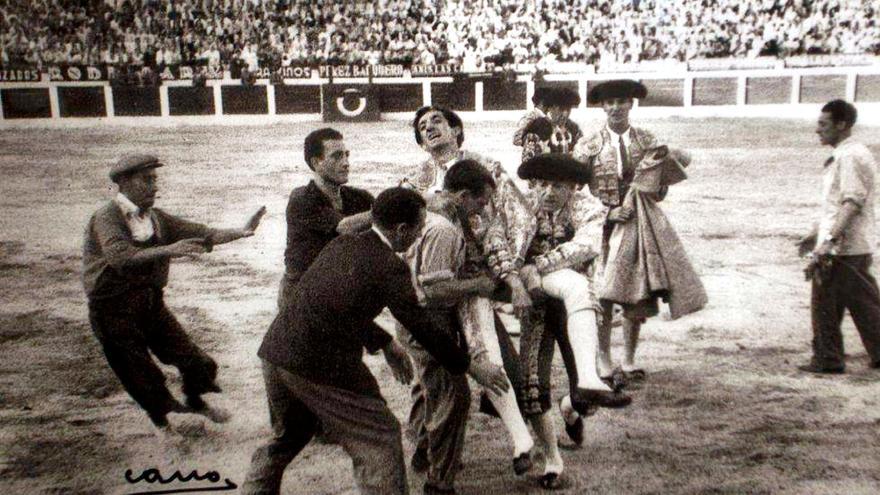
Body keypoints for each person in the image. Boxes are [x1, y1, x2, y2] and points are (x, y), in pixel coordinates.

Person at [242, 188, 471, 495]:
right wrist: (469, 365)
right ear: (402, 230)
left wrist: (386, 342)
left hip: (275, 353)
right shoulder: (391, 265)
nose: (419, 236)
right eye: (419, 228)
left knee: (289, 436)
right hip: (316, 363)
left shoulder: (343, 243)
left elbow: (335, 304)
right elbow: (422, 325)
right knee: (380, 434)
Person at [82, 154, 265, 437]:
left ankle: (196, 400)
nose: (155, 187)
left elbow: (203, 234)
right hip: (112, 309)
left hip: (150, 304)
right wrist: (169, 250)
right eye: (148, 180)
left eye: (155, 179)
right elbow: (120, 257)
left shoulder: (157, 218)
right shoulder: (107, 216)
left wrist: (242, 232)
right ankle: (164, 425)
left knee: (196, 361)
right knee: (139, 371)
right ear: (124, 183)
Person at [486, 153, 631, 489]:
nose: (548, 191)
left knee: (585, 391)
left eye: (558, 185)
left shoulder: (588, 207)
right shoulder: (523, 207)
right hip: (537, 306)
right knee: (533, 384)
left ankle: (571, 408)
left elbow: (585, 247)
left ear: (574, 187)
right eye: (542, 184)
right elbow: (502, 243)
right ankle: (553, 457)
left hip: (573, 307)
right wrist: (518, 275)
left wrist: (537, 266)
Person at [401, 160, 534, 490]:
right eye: (480, 200)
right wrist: (478, 286)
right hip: (430, 316)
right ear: (462, 195)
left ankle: (429, 456)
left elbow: (495, 244)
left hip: (445, 307)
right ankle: (434, 471)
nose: (485, 207)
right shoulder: (439, 225)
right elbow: (430, 289)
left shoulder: (462, 216)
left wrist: (512, 283)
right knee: (446, 391)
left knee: (445, 385)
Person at [573, 79, 666, 384]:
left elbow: (659, 187)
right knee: (603, 293)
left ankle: (628, 359)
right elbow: (575, 190)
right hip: (601, 228)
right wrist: (608, 211)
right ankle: (603, 358)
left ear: (630, 104)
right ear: (602, 106)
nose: (615, 107)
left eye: (621, 101)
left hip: (636, 225)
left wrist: (654, 190)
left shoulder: (647, 140)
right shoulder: (589, 144)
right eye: (609, 102)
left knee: (635, 291)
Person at [796, 99, 880, 374]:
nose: (817, 130)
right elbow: (839, 203)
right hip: (854, 242)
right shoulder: (852, 152)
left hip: (843, 245)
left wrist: (829, 241)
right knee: (864, 301)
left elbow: (852, 202)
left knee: (824, 301)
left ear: (842, 125)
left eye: (823, 124)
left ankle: (828, 357)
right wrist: (815, 233)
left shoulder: (849, 155)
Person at [279, 127, 373, 310]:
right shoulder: (301, 199)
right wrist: (387, 208)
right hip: (301, 295)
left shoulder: (358, 197)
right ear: (316, 163)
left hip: (339, 290)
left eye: (347, 155)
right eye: (337, 156)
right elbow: (344, 227)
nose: (346, 162)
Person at [513, 86, 582, 155]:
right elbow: (529, 161)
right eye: (561, 109)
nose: (565, 114)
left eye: (568, 109)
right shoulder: (538, 127)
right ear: (550, 108)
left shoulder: (573, 128)